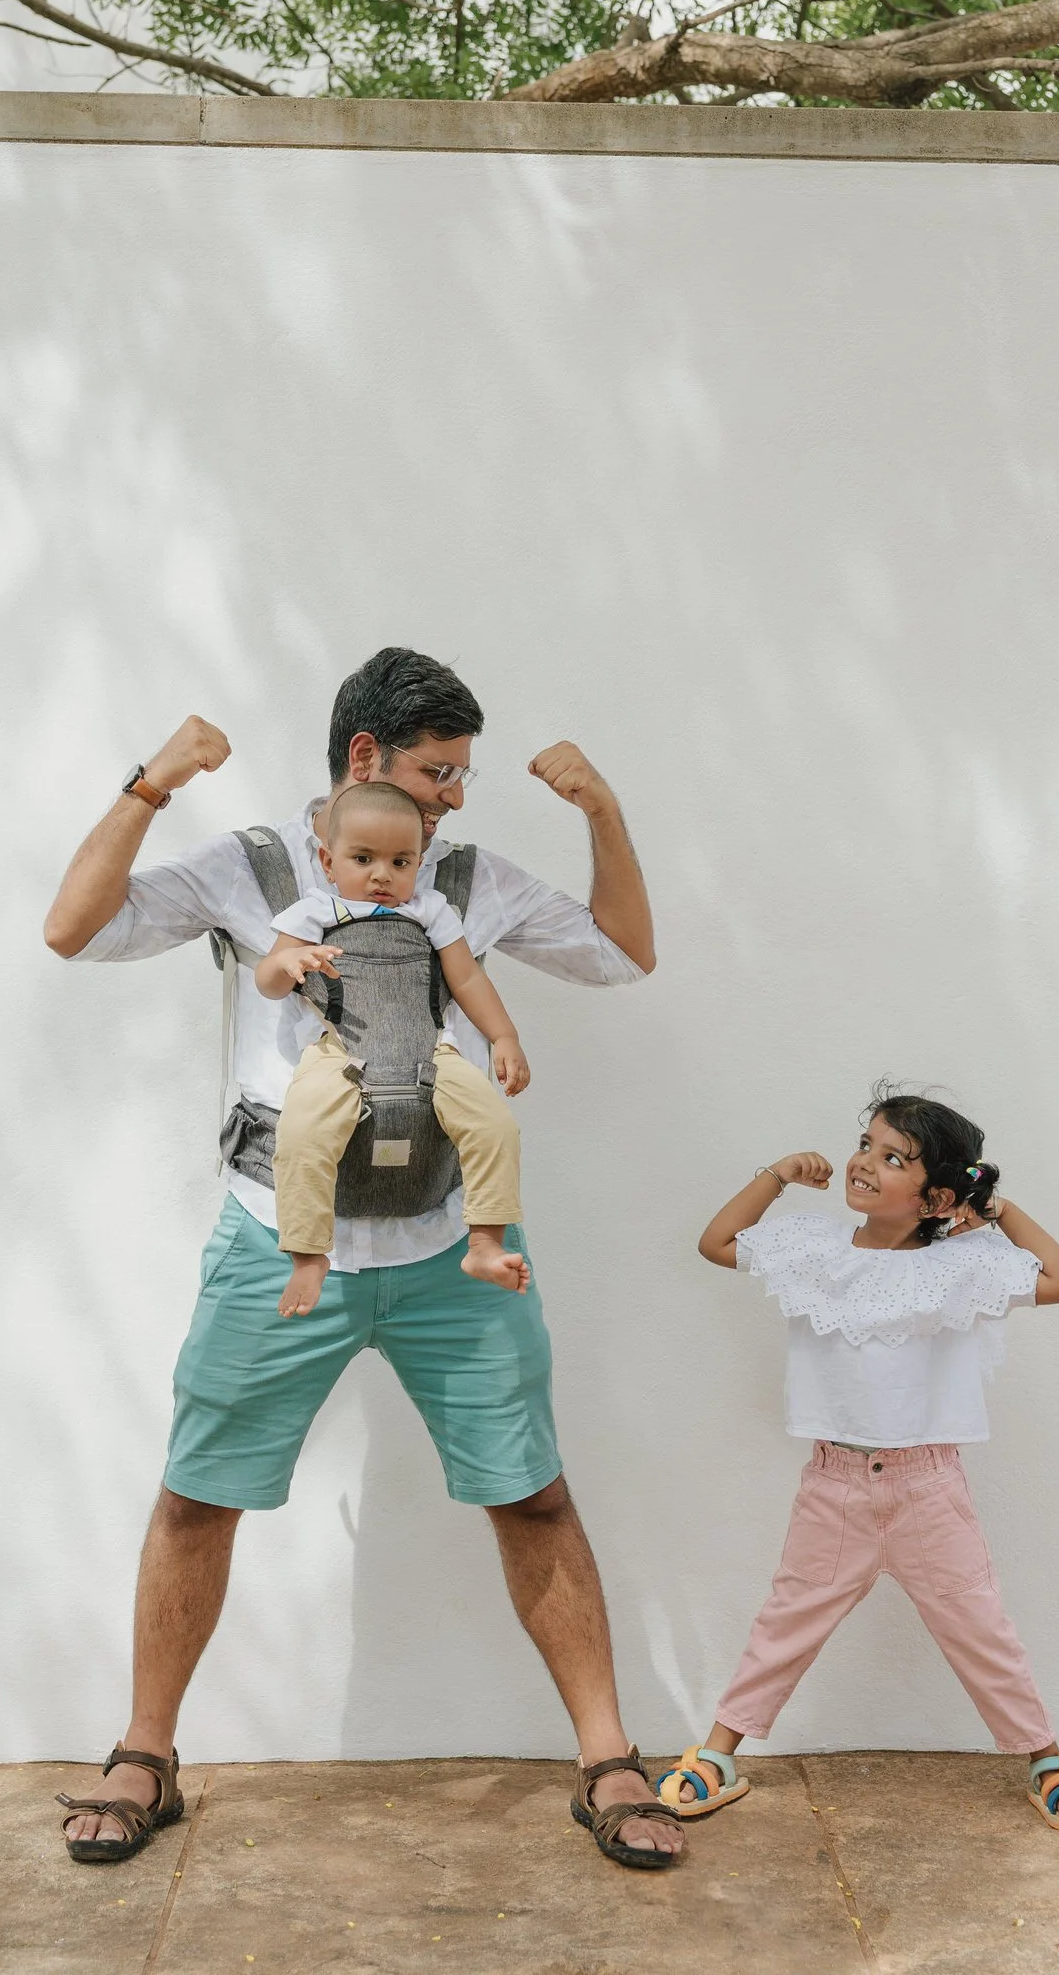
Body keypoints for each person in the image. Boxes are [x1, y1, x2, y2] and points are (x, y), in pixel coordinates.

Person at [45, 647, 685, 1870]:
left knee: (533, 1490)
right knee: (197, 1492)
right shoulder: (254, 870)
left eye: (459, 778)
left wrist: (604, 809)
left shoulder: (461, 880)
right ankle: (144, 1750)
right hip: (276, 1239)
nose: (453, 798)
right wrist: (152, 783)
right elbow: (75, 928)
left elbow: (619, 950)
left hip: (452, 1243)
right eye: (441, 772)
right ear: (363, 758)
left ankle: (608, 1755)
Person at [656, 1087, 1059, 1835]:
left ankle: (1044, 1757)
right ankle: (718, 1753)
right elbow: (717, 1242)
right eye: (864, 1144)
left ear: (932, 1197)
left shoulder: (960, 1265)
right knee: (788, 1617)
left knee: (976, 1623)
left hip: (927, 1487)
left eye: (890, 1157)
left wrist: (992, 1209)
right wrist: (772, 1174)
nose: (863, 1163)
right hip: (833, 1484)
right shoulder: (814, 1250)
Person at [257, 779, 531, 1309]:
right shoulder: (312, 912)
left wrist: (504, 1035)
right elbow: (267, 979)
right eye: (363, 858)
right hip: (338, 1054)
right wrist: (287, 964)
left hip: (430, 1053)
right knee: (302, 1132)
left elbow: (468, 981)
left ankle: (484, 1242)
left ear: (419, 862)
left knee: (494, 1126)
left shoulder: (430, 912)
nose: (382, 875)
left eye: (401, 862)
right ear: (328, 860)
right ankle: (309, 1256)